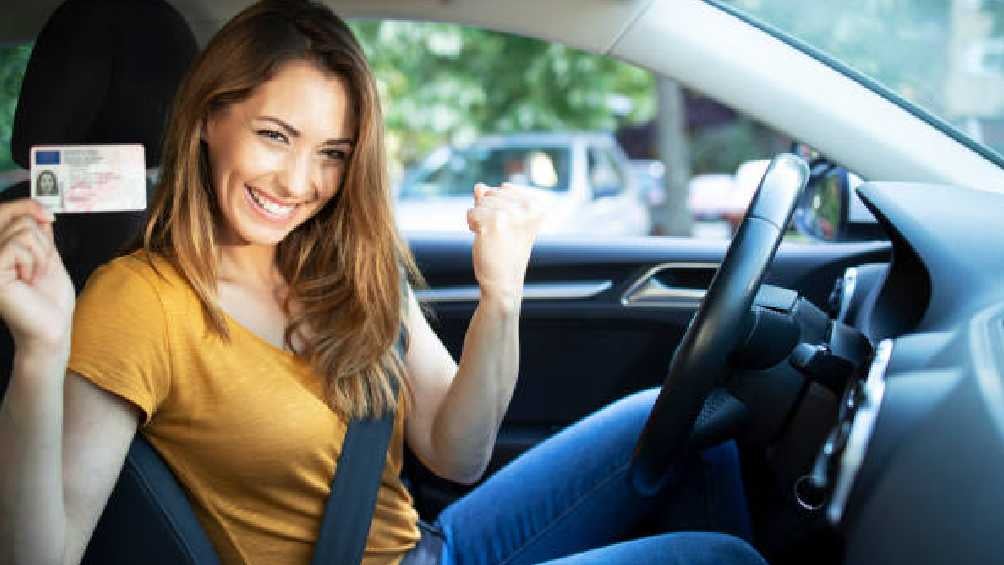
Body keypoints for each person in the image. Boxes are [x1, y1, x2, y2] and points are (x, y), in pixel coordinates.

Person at [0, 1, 765, 564]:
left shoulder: (341, 261)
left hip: (433, 546)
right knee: (720, 558)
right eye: (274, 136)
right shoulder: (138, 300)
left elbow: (456, 453)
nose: (298, 182)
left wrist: (501, 297)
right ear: (208, 119)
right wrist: (38, 352)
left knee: (690, 422)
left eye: (331, 153)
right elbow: (44, 554)